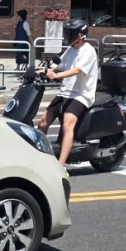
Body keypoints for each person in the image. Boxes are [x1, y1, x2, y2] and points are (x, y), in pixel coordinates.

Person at [38, 17, 98, 167]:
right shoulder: (71, 50)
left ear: (80, 35)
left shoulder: (88, 51)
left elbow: (77, 70)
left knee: (67, 126)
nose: (67, 36)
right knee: (43, 122)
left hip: (81, 95)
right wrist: (43, 71)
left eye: (71, 33)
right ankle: (40, 156)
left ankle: (61, 165)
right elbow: (57, 65)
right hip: (65, 93)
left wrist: (57, 76)